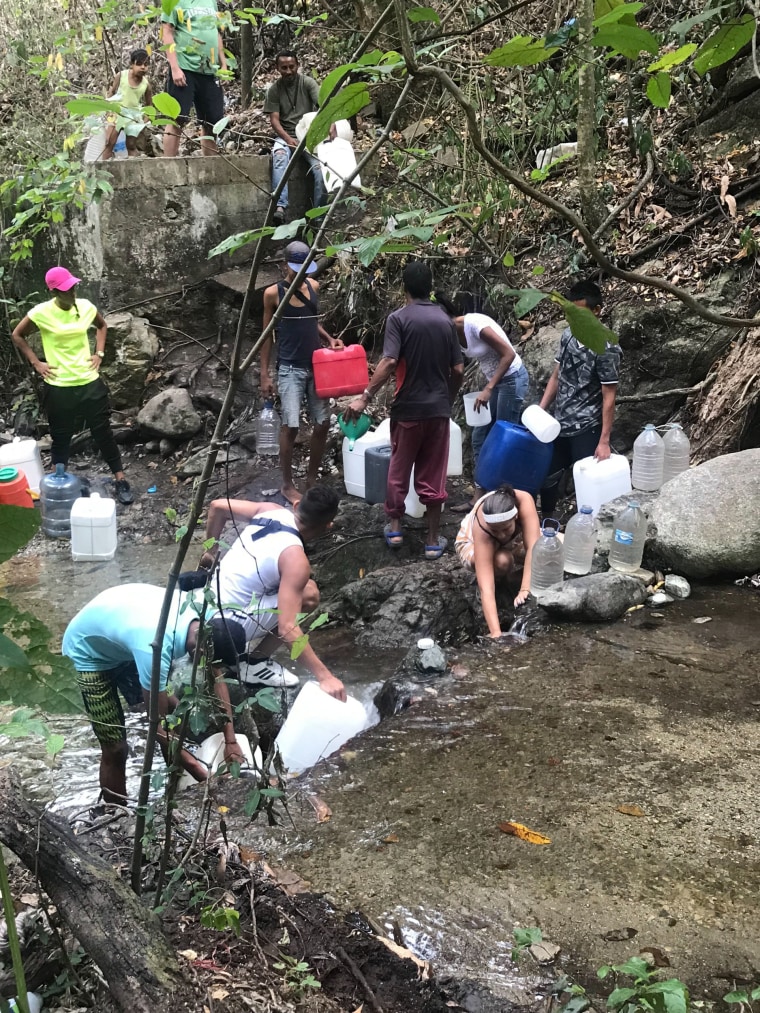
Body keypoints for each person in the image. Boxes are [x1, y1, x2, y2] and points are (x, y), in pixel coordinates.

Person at [62, 583, 247, 803]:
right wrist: (201, 774)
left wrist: (231, 740)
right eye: (209, 661)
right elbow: (157, 727)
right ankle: (115, 814)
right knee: (116, 747)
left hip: (126, 637)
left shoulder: (204, 620)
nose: (210, 667)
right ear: (200, 648)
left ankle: (172, 796)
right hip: (90, 651)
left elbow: (216, 679)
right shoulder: (154, 652)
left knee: (174, 710)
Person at [346, 261, 464, 559]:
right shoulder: (446, 321)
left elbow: (387, 362)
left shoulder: (399, 319)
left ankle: (396, 529)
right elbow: (459, 370)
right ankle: (433, 540)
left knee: (399, 468)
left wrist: (365, 396)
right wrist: (446, 399)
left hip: (407, 410)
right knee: (433, 474)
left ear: (404, 287)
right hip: (437, 411)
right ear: (430, 287)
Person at [200, 485, 346, 701]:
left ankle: (242, 657)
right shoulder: (295, 559)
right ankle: (254, 663)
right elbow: (288, 628)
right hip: (226, 627)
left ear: (296, 505)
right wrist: (325, 676)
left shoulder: (270, 509)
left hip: (203, 604)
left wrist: (208, 553)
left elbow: (217, 506)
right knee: (309, 595)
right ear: (328, 526)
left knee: (300, 586)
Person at [11, 266, 134, 505]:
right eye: (67, 288)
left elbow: (102, 326)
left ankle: (120, 478)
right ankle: (59, 481)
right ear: (54, 291)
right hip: (58, 385)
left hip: (88, 381)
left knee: (103, 432)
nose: (73, 290)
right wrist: (36, 363)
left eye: (73, 285)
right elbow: (17, 335)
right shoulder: (41, 312)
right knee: (61, 435)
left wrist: (99, 353)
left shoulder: (86, 306)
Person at [260, 240, 343, 504]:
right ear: (285, 265)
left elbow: (311, 321)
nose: (300, 274)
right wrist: (264, 374)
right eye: (295, 268)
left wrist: (329, 339)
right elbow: (267, 336)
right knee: (291, 425)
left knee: (323, 423)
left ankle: (311, 478)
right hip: (289, 368)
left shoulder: (313, 287)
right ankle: (286, 483)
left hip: (315, 366)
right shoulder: (273, 294)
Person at [435, 293, 530, 509]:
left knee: (502, 439)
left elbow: (509, 354)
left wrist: (488, 388)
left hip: (511, 380)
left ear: (450, 317)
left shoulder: (475, 325)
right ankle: (479, 495)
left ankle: (504, 499)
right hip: (496, 384)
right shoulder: (450, 335)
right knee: (479, 436)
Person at [538, 280, 621, 519]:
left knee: (586, 479)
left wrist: (604, 440)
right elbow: (556, 375)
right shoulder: (568, 335)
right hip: (560, 421)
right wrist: (542, 410)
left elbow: (609, 395)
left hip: (587, 425)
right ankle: (548, 523)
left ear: (597, 311)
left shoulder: (607, 347)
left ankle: (588, 528)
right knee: (548, 475)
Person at [455, 485, 541, 637]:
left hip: (514, 539)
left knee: (552, 545)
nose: (501, 535)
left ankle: (514, 579)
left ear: (515, 517)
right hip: (472, 544)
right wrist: (496, 632)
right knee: (502, 561)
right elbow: (486, 589)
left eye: (505, 529)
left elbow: (533, 549)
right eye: (496, 531)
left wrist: (525, 589)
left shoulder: (524, 501)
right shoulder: (482, 527)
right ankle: (501, 579)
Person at [263, 51, 333, 224]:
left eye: (291, 67)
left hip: (309, 135)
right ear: (278, 68)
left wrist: (330, 125)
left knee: (319, 168)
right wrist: (288, 140)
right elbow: (274, 120)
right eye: (284, 68)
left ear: (297, 65)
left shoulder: (308, 83)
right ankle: (280, 206)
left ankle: (318, 216)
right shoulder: (274, 90)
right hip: (286, 136)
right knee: (279, 155)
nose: (288, 71)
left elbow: (323, 106)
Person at [160, 0, 228, 156]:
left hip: (209, 69)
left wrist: (223, 64)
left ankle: (209, 167)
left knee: (211, 121)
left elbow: (215, 32)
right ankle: (168, 166)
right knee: (177, 117)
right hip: (185, 66)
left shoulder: (211, 2)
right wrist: (175, 68)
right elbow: (167, 31)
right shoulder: (173, 2)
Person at [102, 49, 153, 160]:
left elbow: (149, 105)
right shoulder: (121, 76)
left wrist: (144, 121)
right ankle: (103, 169)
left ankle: (132, 170)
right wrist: (108, 112)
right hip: (117, 113)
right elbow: (111, 93)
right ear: (131, 65)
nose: (143, 67)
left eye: (146, 64)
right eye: (139, 64)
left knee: (131, 145)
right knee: (109, 143)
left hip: (133, 117)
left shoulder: (146, 84)